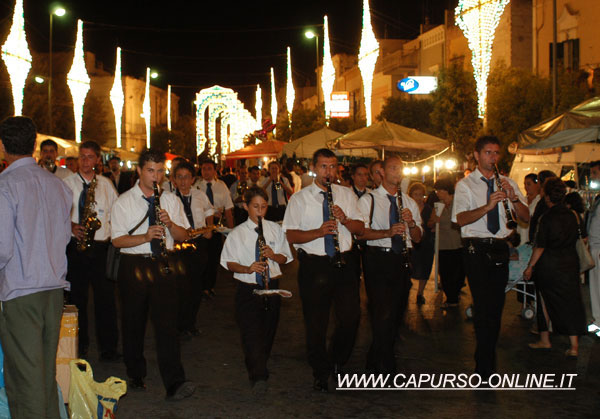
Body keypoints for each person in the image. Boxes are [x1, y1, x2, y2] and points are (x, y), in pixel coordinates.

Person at [0, 116, 72, 418]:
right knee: (44, 374)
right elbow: (64, 237)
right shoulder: (57, 185)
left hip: (21, 291)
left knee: (25, 378)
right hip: (53, 289)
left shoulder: (6, 185)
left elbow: (2, 248)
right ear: (33, 145)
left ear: (3, 147)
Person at [111, 148, 196, 401]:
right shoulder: (123, 201)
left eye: (160, 171)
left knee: (167, 325)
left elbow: (184, 235)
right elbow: (117, 240)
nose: (155, 176)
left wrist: (170, 224)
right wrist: (145, 237)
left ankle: (175, 382)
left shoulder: (170, 199)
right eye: (150, 171)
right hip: (134, 265)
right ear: (139, 171)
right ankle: (136, 372)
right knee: (133, 322)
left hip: (163, 264)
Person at [283, 148, 364, 392]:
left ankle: (338, 359)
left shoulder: (346, 194)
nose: (329, 172)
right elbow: (290, 234)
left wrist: (345, 220)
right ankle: (320, 370)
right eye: (323, 166)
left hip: (344, 262)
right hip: (314, 265)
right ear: (313, 168)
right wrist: (318, 232)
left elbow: (360, 228)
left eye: (332, 166)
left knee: (350, 317)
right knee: (316, 322)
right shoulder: (300, 198)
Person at [451, 136, 529, 380]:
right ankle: (484, 364)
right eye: (488, 152)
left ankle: (487, 359)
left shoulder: (507, 182)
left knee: (496, 307)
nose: (493, 157)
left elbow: (526, 217)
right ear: (477, 155)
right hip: (476, 248)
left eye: (496, 153)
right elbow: (460, 219)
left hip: (500, 247)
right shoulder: (465, 185)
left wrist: (512, 198)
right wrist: (487, 206)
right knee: (483, 306)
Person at [220, 187, 293, 394]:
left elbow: (285, 257)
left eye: (263, 207)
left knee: (268, 332)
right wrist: (248, 268)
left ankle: (258, 364)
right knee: (251, 333)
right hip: (248, 288)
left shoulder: (275, 229)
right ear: (246, 206)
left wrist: (273, 255)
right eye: (255, 207)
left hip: (272, 286)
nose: (260, 212)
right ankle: (259, 375)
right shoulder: (237, 233)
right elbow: (229, 262)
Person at [357, 156, 422, 374]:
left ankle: (375, 359)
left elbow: (418, 238)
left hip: (402, 258)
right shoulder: (369, 200)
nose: (398, 172)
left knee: (396, 312)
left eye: (400, 169)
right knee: (382, 311)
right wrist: (387, 232)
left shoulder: (409, 202)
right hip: (378, 258)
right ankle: (386, 365)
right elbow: (360, 234)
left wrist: (411, 223)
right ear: (382, 172)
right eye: (393, 168)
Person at [63, 141, 120, 360]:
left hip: (100, 247)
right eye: (82, 156)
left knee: (105, 299)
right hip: (75, 247)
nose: (85, 161)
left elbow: (116, 213)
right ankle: (78, 345)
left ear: (97, 160)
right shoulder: (66, 184)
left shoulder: (106, 184)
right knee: (76, 298)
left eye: (89, 157)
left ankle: (108, 348)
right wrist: (70, 226)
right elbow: (56, 213)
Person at [523, 178, 587, 357]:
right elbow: (583, 238)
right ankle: (574, 347)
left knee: (544, 302)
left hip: (549, 265)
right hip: (570, 263)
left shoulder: (546, 218)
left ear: (547, 196)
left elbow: (540, 246)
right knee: (571, 303)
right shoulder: (573, 215)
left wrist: (530, 266)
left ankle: (545, 340)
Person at [172, 161, 214, 339]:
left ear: (193, 179)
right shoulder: (169, 198)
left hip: (198, 243)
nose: (183, 181)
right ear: (174, 180)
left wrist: (209, 228)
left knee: (196, 287)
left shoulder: (200, 195)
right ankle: (179, 325)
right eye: (179, 177)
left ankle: (191, 323)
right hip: (178, 246)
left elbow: (209, 211)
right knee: (181, 287)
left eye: (186, 177)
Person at [194, 158, 234, 297]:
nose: (206, 172)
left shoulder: (222, 186)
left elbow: (228, 210)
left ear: (215, 170)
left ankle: (209, 286)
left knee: (213, 257)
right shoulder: (196, 186)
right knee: (201, 256)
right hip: (201, 225)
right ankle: (201, 285)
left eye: (209, 169)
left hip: (216, 226)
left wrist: (231, 232)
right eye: (204, 169)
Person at [432, 178, 464, 308]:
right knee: (445, 272)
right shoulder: (438, 205)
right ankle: (451, 298)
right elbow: (430, 223)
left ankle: (455, 293)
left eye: (439, 190)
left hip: (458, 243)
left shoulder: (458, 203)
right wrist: (434, 221)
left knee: (459, 272)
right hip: (443, 244)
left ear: (447, 190)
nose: (437, 193)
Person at [408, 182, 434, 305]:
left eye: (420, 195)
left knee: (425, 267)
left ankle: (420, 293)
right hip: (412, 242)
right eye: (415, 194)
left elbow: (432, 224)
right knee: (410, 266)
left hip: (426, 242)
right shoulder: (407, 208)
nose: (418, 197)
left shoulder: (428, 209)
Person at [586, 160, 600, 336]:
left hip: (598, 248)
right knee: (595, 288)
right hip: (594, 246)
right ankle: (598, 321)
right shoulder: (597, 198)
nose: (592, 177)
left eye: (595, 173)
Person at [517, 173, 541, 246]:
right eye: (525, 184)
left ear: (537, 184)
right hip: (520, 238)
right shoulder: (522, 200)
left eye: (529, 184)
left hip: (532, 239)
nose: (526, 187)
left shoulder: (540, 201)